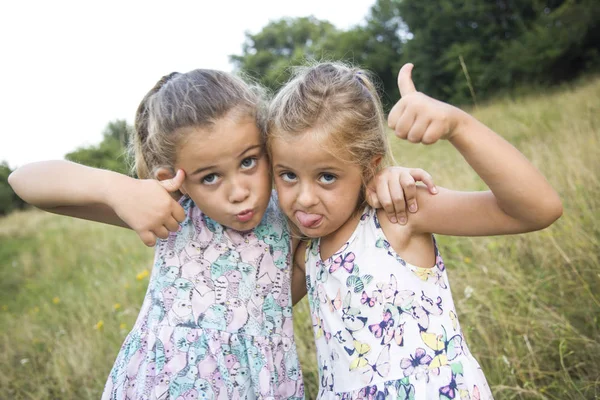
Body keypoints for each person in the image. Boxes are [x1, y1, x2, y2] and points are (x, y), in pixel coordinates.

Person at [8, 68, 436, 400]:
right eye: (210, 177)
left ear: (268, 147)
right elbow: (25, 181)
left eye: (249, 162)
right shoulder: (175, 211)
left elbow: (344, 186)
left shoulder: (291, 213)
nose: (237, 192)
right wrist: (116, 188)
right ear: (177, 178)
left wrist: (386, 177)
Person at [267, 62, 563, 399]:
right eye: (288, 174)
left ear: (369, 167)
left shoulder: (398, 214)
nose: (303, 198)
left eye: (327, 176)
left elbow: (539, 209)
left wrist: (458, 125)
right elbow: (261, 307)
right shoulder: (306, 252)